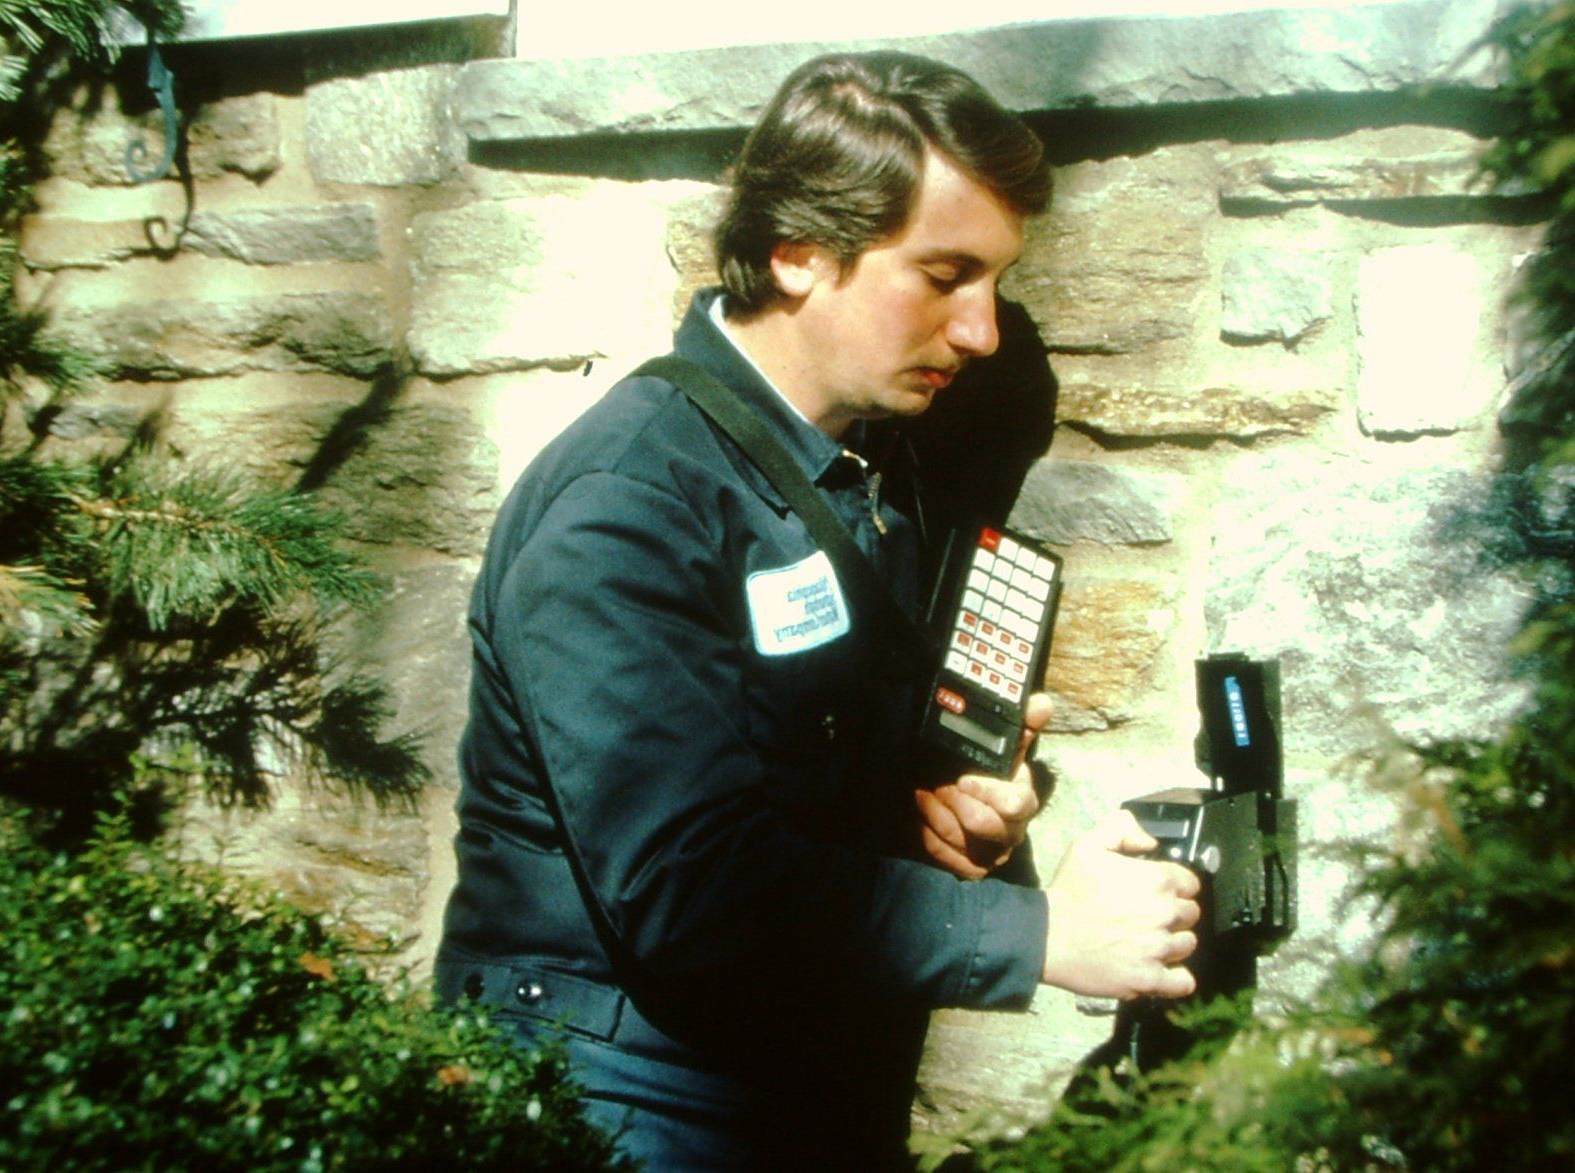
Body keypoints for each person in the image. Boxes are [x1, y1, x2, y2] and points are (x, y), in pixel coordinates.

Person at [434, 50, 1201, 1169]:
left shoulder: (873, 474)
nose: (983, 332)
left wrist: (953, 816)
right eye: (946, 276)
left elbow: (801, 790)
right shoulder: (626, 504)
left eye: (994, 282)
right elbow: (691, 892)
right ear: (797, 254)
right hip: (622, 1096)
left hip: (802, 1084)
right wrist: (1043, 939)